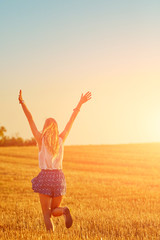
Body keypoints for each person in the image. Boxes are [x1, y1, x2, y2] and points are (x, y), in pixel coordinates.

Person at [18, 90, 92, 232]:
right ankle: (63, 210)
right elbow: (71, 121)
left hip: (45, 177)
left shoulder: (40, 139)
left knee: (47, 214)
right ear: (56, 128)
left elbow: (30, 119)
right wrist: (80, 104)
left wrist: (22, 102)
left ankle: (50, 235)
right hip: (59, 177)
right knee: (54, 210)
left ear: (45, 128)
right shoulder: (61, 139)